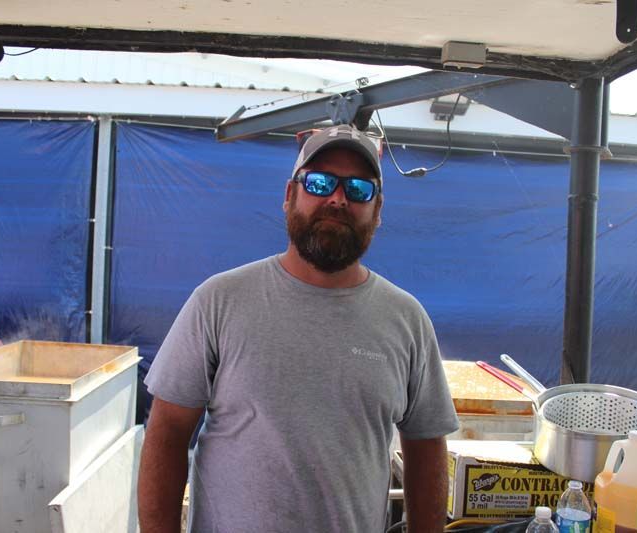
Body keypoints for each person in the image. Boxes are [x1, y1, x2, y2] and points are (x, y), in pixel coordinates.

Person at [138, 124, 459, 533]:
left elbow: (427, 446)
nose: (338, 199)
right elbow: (167, 431)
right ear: (290, 196)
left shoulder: (406, 320)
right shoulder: (219, 302)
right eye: (320, 182)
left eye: (359, 189)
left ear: (377, 212)